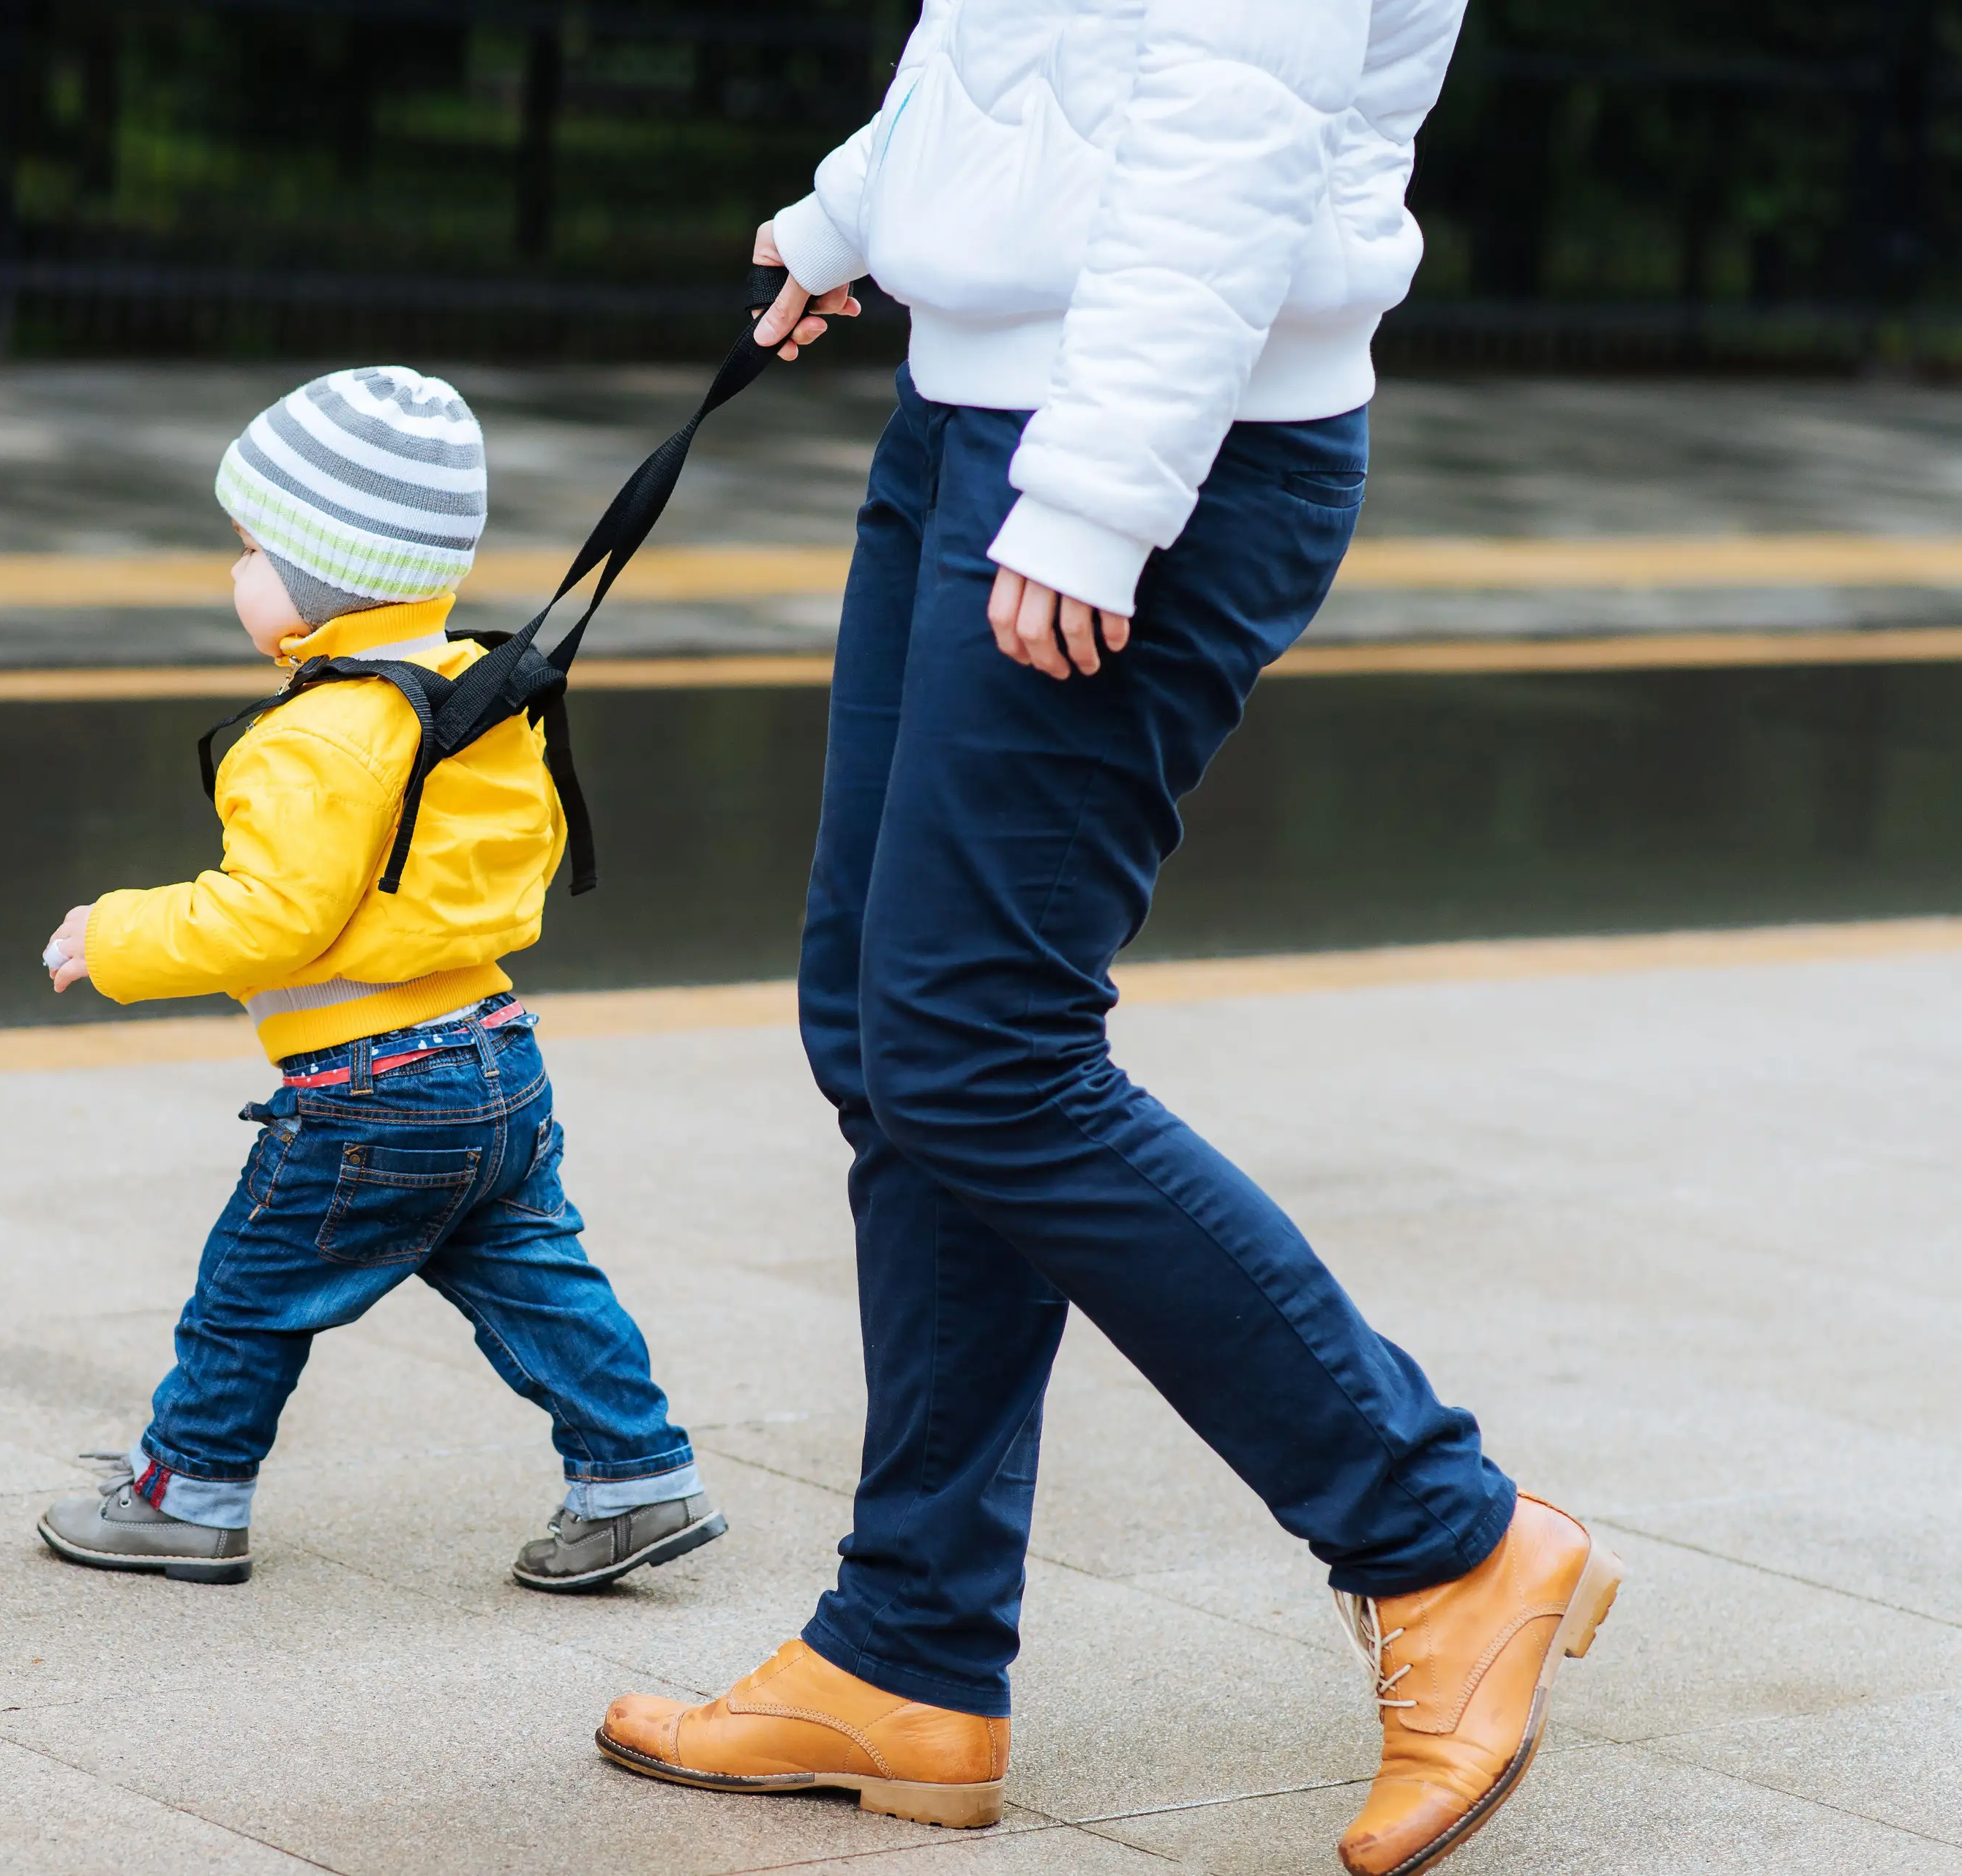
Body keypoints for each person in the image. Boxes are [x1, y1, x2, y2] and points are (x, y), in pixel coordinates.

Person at [593, 6, 1622, 1872]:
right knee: (890, 1037)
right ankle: (905, 1654)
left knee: (982, 1049)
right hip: (987, 410)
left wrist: (1100, 484)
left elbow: (1232, 115)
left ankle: (1447, 1542)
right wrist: (861, 212)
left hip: (1155, 441)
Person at [34, 366, 722, 1594]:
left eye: (247, 551)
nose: (231, 576)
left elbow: (271, 919)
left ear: (316, 580)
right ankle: (637, 1473)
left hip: (370, 1086)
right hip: (494, 1052)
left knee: (249, 1293)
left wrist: (119, 934)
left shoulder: (315, 734)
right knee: (537, 1272)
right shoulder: (476, 695)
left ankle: (186, 1494)